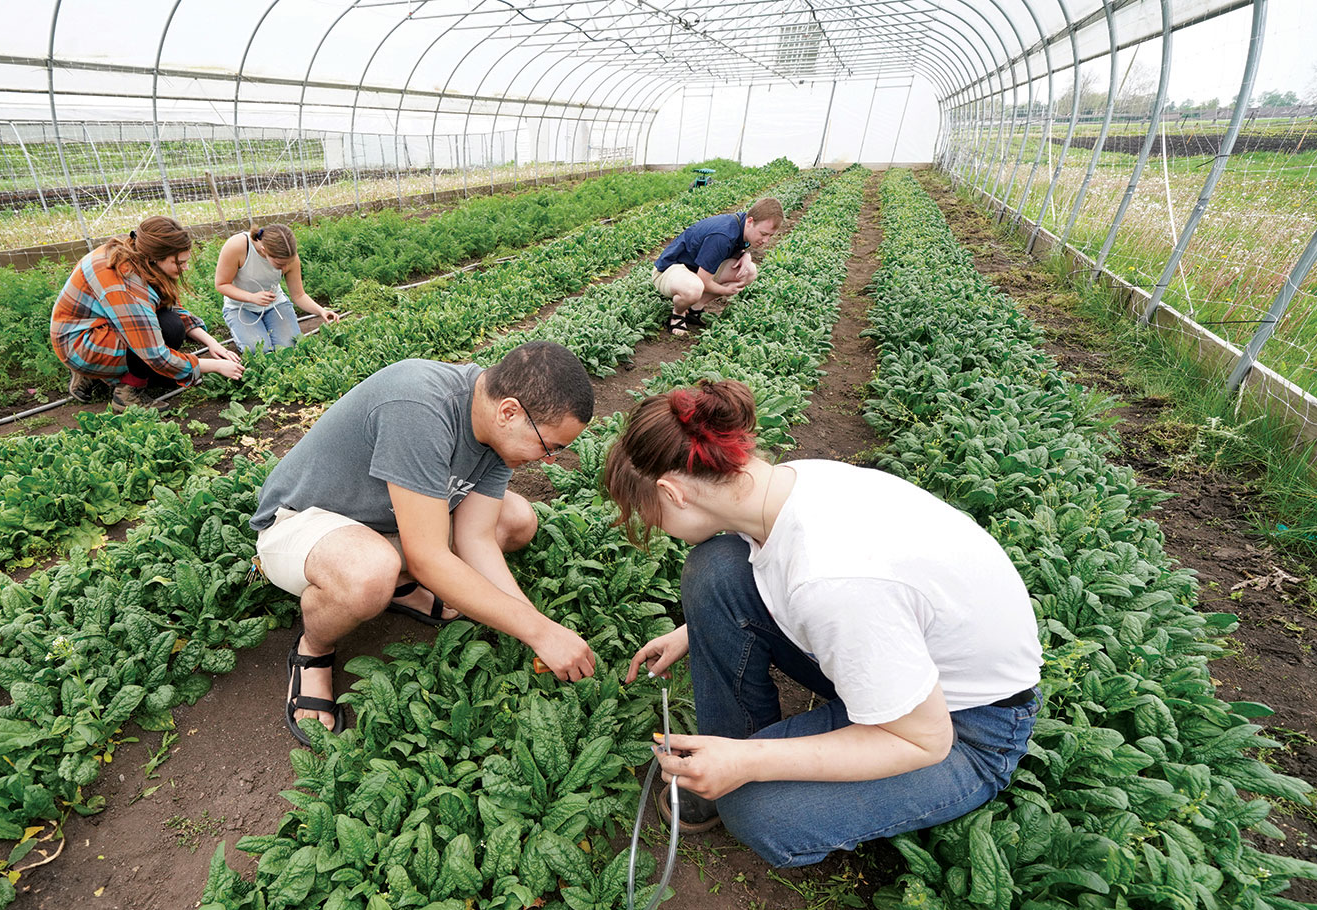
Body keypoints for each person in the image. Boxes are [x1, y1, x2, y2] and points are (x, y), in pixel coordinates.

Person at [604, 380, 1043, 868]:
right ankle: (733, 751)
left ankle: (738, 766)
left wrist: (748, 766)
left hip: (964, 730)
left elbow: (925, 740)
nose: (649, 522)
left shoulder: (832, 577)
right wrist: (694, 631)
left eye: (645, 511)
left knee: (757, 810)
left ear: (672, 492)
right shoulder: (788, 483)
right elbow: (782, 575)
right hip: (903, 669)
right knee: (715, 571)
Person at [251, 342, 598, 744]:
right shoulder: (420, 406)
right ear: (509, 412)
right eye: (548, 446)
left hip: (385, 523)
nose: (549, 460)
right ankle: (313, 647)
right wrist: (540, 633)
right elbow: (429, 558)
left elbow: (477, 539)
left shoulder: (493, 431)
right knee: (368, 574)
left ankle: (396, 586)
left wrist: (538, 626)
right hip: (298, 525)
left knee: (517, 520)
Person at [51, 215, 242, 410]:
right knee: (170, 330)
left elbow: (171, 308)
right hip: (77, 343)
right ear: (155, 258)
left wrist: (211, 343)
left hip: (95, 326)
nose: (185, 267)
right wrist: (216, 366)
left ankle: (100, 373)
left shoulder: (138, 255)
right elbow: (155, 355)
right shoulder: (127, 282)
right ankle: (126, 394)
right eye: (179, 263)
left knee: (170, 325)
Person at [653, 196, 783, 336]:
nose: (765, 240)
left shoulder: (742, 224)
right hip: (669, 270)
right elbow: (703, 280)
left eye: (770, 236)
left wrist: (745, 255)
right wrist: (725, 290)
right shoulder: (722, 236)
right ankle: (677, 314)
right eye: (763, 234)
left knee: (749, 271)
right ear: (750, 221)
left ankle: (694, 309)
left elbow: (738, 244)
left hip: (694, 269)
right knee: (694, 288)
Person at [214, 224, 338, 352]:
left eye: (288, 263)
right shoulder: (238, 246)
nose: (285, 269)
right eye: (280, 264)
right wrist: (252, 297)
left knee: (290, 348)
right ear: (264, 251)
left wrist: (321, 311)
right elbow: (221, 284)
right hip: (240, 307)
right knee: (258, 351)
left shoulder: (290, 257)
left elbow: (299, 295)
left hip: (275, 305)